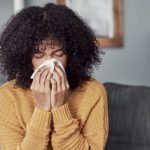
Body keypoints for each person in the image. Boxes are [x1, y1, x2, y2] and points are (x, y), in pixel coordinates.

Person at [0, 3, 108, 150]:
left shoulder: (93, 92)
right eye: (39, 55)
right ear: (25, 57)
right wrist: (42, 109)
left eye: (58, 54)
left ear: (72, 54)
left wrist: (60, 108)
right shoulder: (8, 96)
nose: (49, 62)